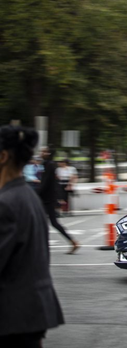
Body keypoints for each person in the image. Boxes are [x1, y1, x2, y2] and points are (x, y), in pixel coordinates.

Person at [0, 125, 64, 347]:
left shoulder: (6, 203)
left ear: (3, 156)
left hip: (12, 316)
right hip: (32, 311)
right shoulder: (29, 197)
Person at [39, 147, 79, 254]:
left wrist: (35, 194)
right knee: (51, 223)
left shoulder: (49, 165)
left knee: (50, 223)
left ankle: (73, 242)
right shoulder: (47, 165)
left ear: (48, 153)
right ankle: (73, 242)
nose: (41, 153)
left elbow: (45, 184)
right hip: (47, 198)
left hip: (47, 199)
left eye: (43, 151)